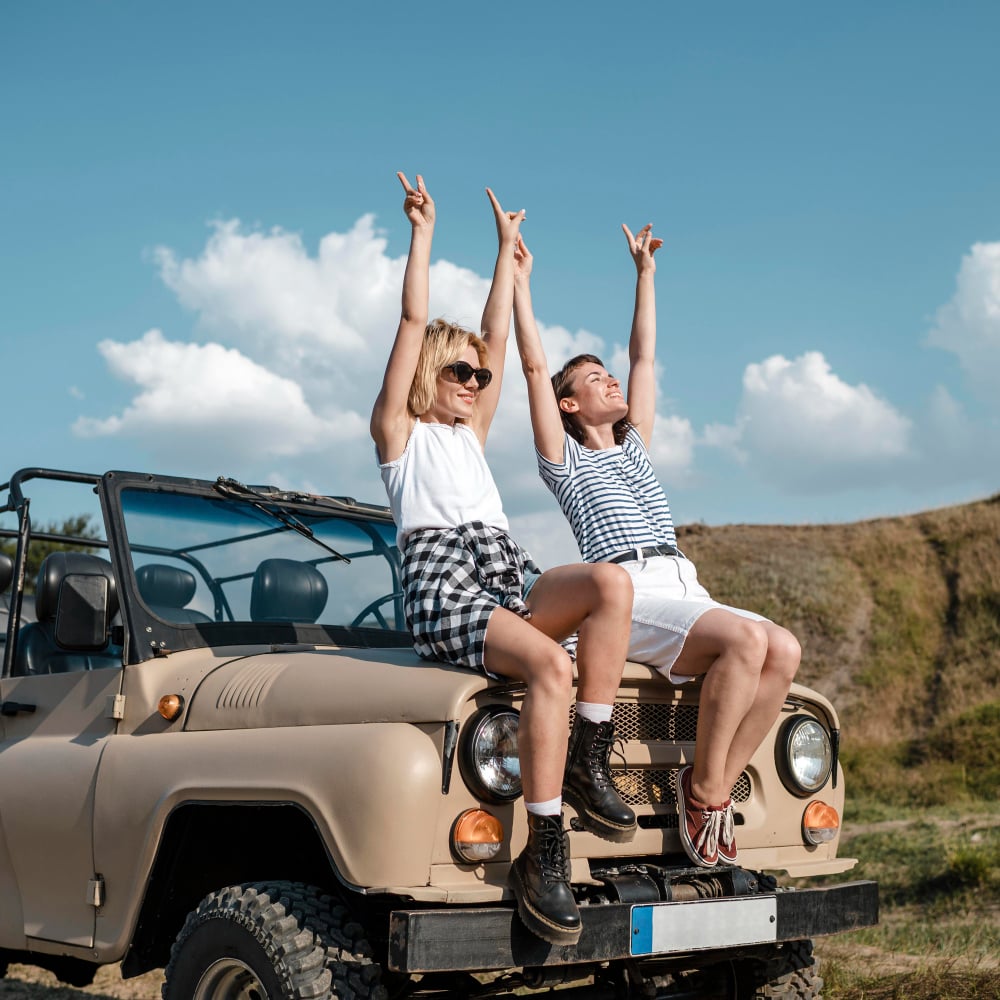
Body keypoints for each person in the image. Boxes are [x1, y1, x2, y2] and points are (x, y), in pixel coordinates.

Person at [370, 173, 637, 946]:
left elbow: (492, 334)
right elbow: (414, 315)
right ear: (429, 375)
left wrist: (505, 258)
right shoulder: (401, 436)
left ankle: (590, 757)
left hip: (501, 567)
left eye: (480, 377)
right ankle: (543, 849)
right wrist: (423, 233)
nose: (475, 382)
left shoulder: (471, 434)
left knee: (609, 585)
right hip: (443, 580)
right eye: (460, 373)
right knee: (551, 666)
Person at [511, 222, 802, 868]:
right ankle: (702, 792)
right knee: (746, 641)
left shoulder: (636, 447)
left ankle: (712, 789)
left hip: (682, 585)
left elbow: (643, 357)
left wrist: (644, 275)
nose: (612, 382)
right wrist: (521, 284)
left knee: (783, 649)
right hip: (627, 593)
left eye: (609, 375)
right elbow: (531, 365)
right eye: (595, 379)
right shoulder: (565, 462)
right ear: (566, 403)